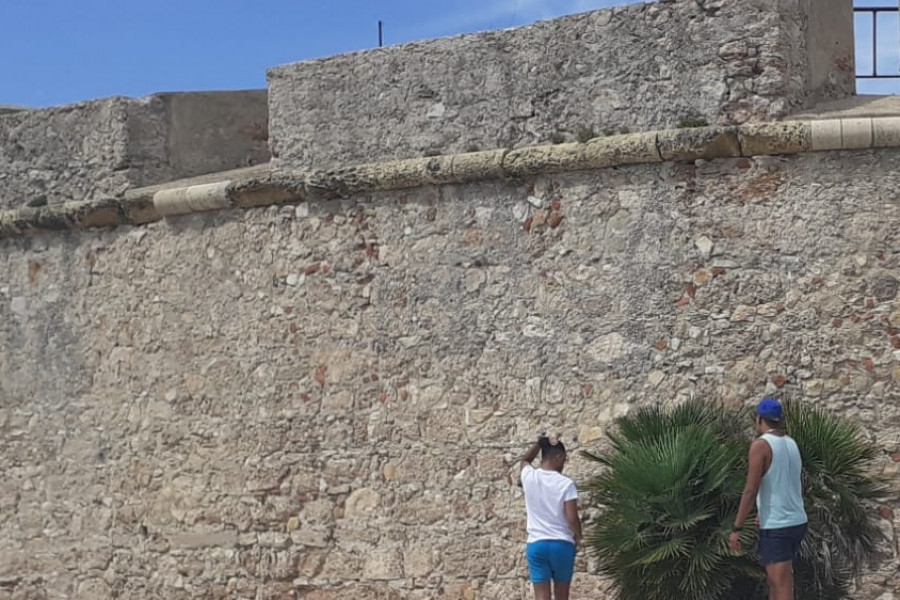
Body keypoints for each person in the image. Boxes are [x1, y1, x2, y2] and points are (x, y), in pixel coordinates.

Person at [730, 397, 808, 600]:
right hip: (797, 520)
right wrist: (763, 510)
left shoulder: (761, 446)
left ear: (759, 419)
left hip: (778, 526)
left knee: (780, 586)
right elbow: (790, 482)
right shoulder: (791, 443)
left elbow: (750, 489)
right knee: (777, 583)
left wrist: (737, 528)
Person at [519, 433, 583, 600]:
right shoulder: (566, 484)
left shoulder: (529, 477)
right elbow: (572, 518)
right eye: (564, 459)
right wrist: (579, 536)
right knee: (562, 597)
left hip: (537, 544)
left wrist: (539, 443)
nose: (564, 463)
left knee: (541, 597)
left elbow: (525, 460)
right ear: (558, 456)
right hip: (561, 544)